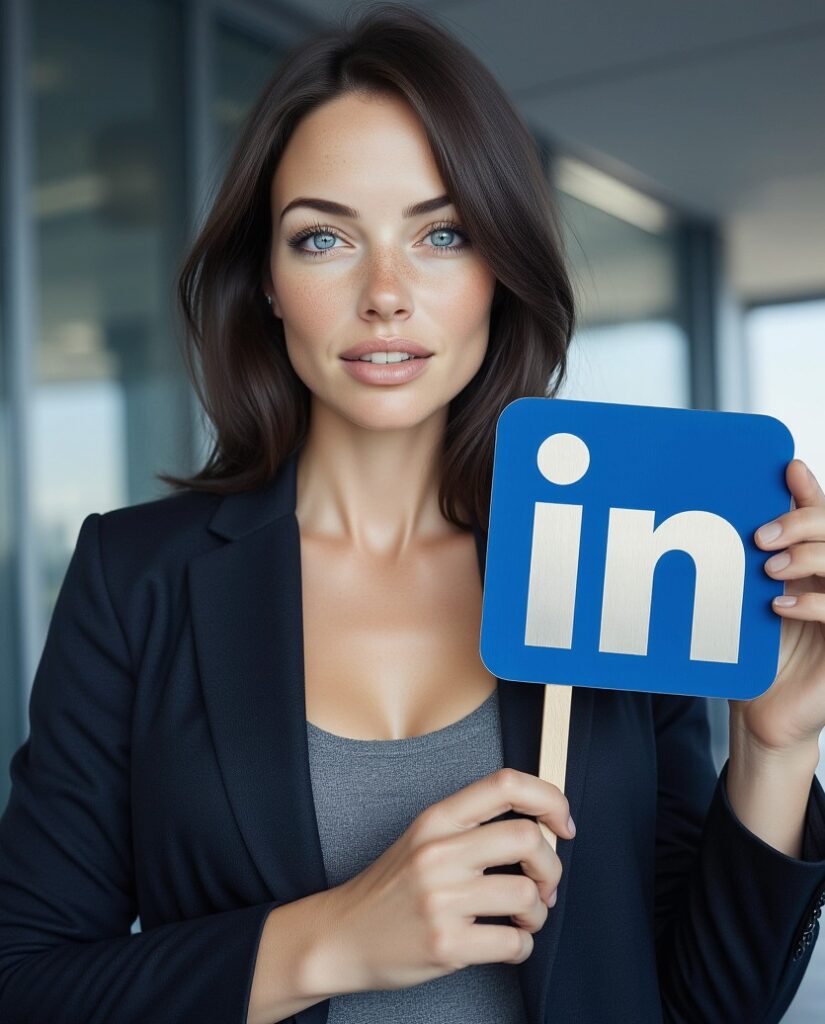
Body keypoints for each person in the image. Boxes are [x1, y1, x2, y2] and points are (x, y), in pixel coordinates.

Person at [2, 3, 825, 1023]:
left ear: (499, 270)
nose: (385, 293)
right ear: (267, 280)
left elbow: (706, 1006)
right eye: (323, 238)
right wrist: (332, 939)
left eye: (442, 233)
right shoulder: (137, 578)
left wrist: (776, 747)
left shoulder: (605, 554)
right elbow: (23, 982)